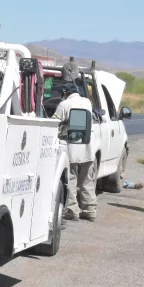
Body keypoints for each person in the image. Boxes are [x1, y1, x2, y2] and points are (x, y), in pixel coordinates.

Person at [53, 82, 97, 221]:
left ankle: (73, 211)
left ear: (65, 93)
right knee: (87, 181)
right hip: (88, 148)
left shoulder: (64, 104)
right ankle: (89, 210)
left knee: (70, 180)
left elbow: (54, 122)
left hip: (72, 148)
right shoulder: (87, 102)